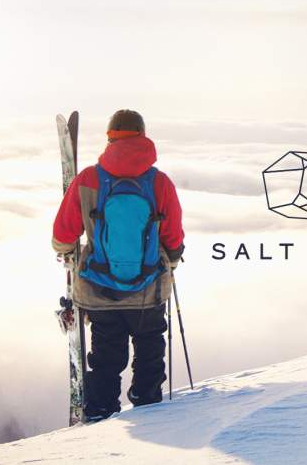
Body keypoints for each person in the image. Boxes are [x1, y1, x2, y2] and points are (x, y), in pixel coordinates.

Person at [52, 109, 184, 421]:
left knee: (106, 357)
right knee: (150, 349)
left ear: (110, 138)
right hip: (148, 288)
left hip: (100, 289)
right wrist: (173, 261)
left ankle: (100, 411)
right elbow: (172, 234)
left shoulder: (87, 180)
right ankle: (148, 404)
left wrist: (66, 252)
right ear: (143, 136)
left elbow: (63, 233)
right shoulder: (160, 183)